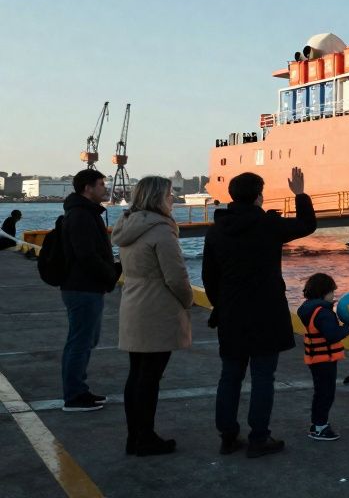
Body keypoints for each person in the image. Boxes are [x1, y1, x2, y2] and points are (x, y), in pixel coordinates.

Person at [203, 167, 316, 458]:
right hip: (266, 314)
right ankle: (258, 438)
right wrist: (300, 193)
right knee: (263, 377)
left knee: (230, 376)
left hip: (231, 314)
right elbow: (307, 224)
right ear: (257, 197)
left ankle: (228, 436)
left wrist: (221, 304)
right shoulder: (268, 226)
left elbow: (209, 278)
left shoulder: (216, 231)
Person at [111, 176, 194, 456]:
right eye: (170, 194)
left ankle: (134, 436)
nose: (173, 198)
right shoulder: (161, 231)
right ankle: (145, 438)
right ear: (158, 197)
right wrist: (188, 301)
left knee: (137, 375)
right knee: (150, 378)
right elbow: (176, 276)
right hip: (157, 309)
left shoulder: (128, 226)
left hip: (133, 305)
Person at [60, 169, 121, 413]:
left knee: (85, 339)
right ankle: (74, 395)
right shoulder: (81, 216)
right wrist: (110, 274)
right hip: (83, 287)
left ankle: (78, 390)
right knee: (80, 341)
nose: (105, 189)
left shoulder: (84, 213)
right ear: (88, 188)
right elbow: (86, 255)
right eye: (101, 184)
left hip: (84, 286)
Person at [297, 273, 349, 442]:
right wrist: (347, 329)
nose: (333, 296)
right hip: (324, 359)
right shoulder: (323, 313)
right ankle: (321, 427)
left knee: (320, 392)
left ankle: (317, 424)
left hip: (315, 359)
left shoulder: (309, 308)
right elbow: (332, 335)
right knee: (326, 394)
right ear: (324, 292)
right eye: (332, 293)